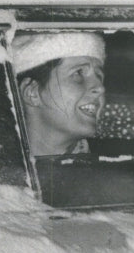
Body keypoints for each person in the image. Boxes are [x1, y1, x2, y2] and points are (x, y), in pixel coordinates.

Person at [11, 29, 106, 157]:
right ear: (32, 93)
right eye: (78, 73)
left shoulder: (106, 173)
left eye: (99, 76)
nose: (100, 88)